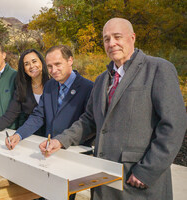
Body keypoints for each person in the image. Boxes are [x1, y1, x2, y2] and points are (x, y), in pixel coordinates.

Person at [39, 18, 187, 200]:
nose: (112, 43)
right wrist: (60, 141)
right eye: (106, 39)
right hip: (103, 179)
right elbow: (89, 120)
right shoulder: (101, 80)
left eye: (117, 37)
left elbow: (173, 125)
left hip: (137, 179)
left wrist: (147, 170)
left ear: (132, 38)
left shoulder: (158, 69)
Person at [6, 45, 94, 149]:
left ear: (70, 60)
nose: (53, 70)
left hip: (73, 150)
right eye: (49, 66)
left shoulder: (89, 88)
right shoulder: (49, 85)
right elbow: (39, 115)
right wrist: (19, 134)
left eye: (57, 64)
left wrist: (61, 141)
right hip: (48, 148)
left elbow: (88, 124)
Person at [0, 49, 49, 141]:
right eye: (26, 64)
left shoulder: (53, 84)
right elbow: (9, 115)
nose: (31, 66)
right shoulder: (23, 87)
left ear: (42, 62)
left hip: (53, 139)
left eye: (34, 61)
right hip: (29, 137)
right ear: (23, 68)